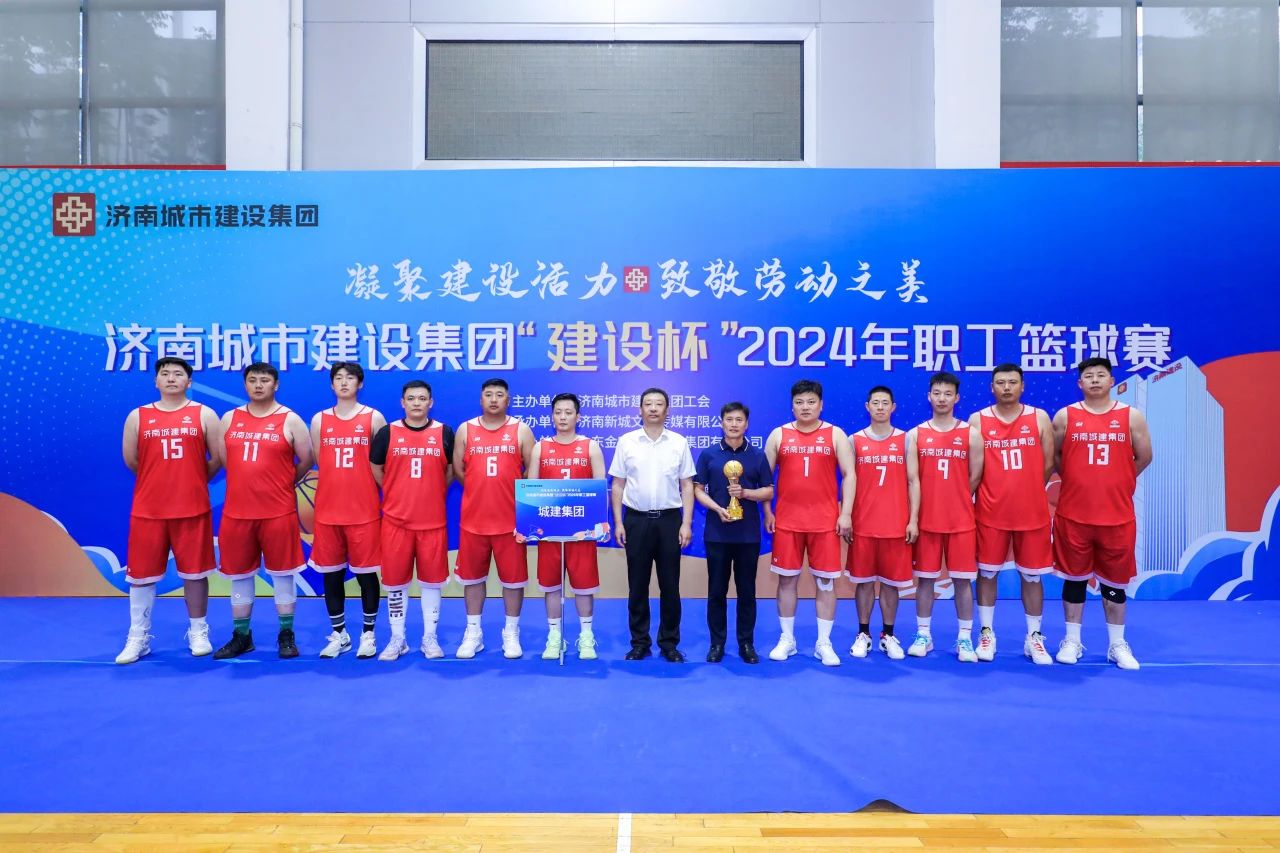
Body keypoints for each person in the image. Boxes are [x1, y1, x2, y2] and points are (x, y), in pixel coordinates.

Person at [116, 356, 222, 664]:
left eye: (178, 374)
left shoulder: (204, 414)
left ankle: (198, 631)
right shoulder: (138, 416)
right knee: (141, 576)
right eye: (165, 374)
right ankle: (138, 637)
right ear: (156, 381)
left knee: (195, 573)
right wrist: (158, 480)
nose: (171, 378)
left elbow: (217, 458)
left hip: (192, 507)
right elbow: (131, 460)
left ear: (189, 381)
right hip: (149, 508)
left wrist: (192, 480)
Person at [1051, 358, 1153, 670]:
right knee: (1075, 580)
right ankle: (1072, 640)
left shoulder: (1131, 416)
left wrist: (1117, 480)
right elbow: (1056, 455)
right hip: (1074, 515)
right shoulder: (1066, 416)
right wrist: (1078, 480)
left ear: (1111, 381)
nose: (1094, 380)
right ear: (1079, 383)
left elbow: (1144, 456)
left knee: (1114, 584)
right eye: (1088, 376)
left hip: (1116, 516)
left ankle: (1117, 644)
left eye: (1100, 375)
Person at [212, 362, 314, 660]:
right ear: (245, 384)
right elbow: (225, 459)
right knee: (240, 575)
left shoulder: (290, 419)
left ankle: (286, 634)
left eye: (265, 380)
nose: (258, 385)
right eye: (253, 380)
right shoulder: (229, 418)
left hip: (278, 511)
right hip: (237, 512)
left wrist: (280, 482)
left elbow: (306, 459)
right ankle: (242, 636)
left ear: (276, 385)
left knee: (283, 574)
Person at [764, 379, 856, 667]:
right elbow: (765, 480)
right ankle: (787, 639)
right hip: (787, 523)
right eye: (799, 402)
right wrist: (767, 511)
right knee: (786, 581)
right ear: (792, 406)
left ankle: (823, 643)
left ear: (821, 405)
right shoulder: (778, 435)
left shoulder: (835, 434)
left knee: (826, 584)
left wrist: (846, 513)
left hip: (825, 523)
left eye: (811, 402)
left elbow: (850, 475)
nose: (805, 407)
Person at [968, 364, 1055, 665]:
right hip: (990, 512)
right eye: (1001, 382)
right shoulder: (978, 420)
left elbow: (1048, 463)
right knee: (987, 572)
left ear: (1022, 386)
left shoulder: (1039, 417)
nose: (1006, 387)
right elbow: (974, 467)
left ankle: (1034, 637)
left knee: (1031, 576)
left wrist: (1027, 491)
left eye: (1012, 382)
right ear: (991, 387)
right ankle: (986, 633)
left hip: (1031, 513)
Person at [369, 380, 454, 661]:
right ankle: (398, 637)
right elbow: (376, 468)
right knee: (395, 583)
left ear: (431, 402)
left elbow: (451, 470)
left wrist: (433, 491)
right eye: (411, 398)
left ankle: (430, 636)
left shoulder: (445, 432)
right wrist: (395, 491)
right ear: (402, 402)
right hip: (396, 522)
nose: (417, 403)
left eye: (422, 398)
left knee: (432, 582)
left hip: (432, 523)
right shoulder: (387, 432)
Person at [452, 378, 536, 659]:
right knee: (472, 579)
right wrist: (480, 490)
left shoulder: (521, 430)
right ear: (481, 400)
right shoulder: (466, 429)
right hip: (473, 520)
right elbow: (458, 469)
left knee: (513, 581)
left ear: (508, 400)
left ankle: (511, 632)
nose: (494, 399)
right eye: (488, 394)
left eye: (499, 395)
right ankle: (473, 632)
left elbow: (531, 471)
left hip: (510, 522)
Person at [610, 387, 696, 662]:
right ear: (640, 409)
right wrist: (618, 522)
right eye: (648, 404)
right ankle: (640, 642)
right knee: (637, 585)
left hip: (670, 521)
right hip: (635, 520)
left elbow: (687, 486)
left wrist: (686, 523)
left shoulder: (679, 442)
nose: (653, 408)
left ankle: (669, 643)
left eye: (659, 404)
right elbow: (618, 485)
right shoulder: (627, 441)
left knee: (670, 586)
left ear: (667, 410)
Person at [309, 362, 386, 659]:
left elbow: (381, 462)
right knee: (331, 575)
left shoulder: (373, 417)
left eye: (350, 378)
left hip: (363, 510)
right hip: (328, 511)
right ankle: (339, 634)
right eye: (338, 378)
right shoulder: (319, 420)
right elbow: (321, 460)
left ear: (360, 384)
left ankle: (368, 634)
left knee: (366, 575)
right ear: (331, 385)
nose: (343, 383)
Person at [905, 372, 983, 662]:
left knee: (963, 581)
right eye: (937, 393)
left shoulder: (970, 434)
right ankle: (923, 635)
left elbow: (975, 476)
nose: (942, 399)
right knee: (925, 581)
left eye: (947, 394)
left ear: (956, 398)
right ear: (929, 396)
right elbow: (912, 480)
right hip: (927, 521)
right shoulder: (916, 434)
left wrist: (956, 498)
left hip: (961, 521)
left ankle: (964, 639)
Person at [527, 393, 608, 660]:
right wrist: (528, 525)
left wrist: (600, 524)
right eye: (558, 412)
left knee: (584, 585)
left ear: (578, 416)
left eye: (568, 412)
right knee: (551, 585)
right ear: (552, 416)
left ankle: (586, 636)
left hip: (581, 532)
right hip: (550, 532)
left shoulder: (590, 447)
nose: (563, 417)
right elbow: (531, 490)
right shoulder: (541, 447)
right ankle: (554, 637)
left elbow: (600, 489)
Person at [694, 402, 773, 664]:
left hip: (748, 536)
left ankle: (746, 643)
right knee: (716, 591)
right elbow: (697, 489)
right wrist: (717, 508)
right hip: (717, 534)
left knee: (747, 592)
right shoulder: (709, 454)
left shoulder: (757, 455)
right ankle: (717, 644)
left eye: (739, 420)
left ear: (746, 424)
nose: (734, 424)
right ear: (721, 423)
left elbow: (769, 490)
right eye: (729, 419)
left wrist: (746, 493)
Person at [846, 386, 918, 660]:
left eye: (884, 403)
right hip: (863, 525)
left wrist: (913, 519)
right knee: (864, 583)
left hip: (896, 525)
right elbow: (849, 481)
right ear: (867, 406)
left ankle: (888, 634)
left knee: (890, 583)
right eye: (875, 403)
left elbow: (914, 481)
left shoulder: (906, 439)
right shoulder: (854, 440)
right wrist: (847, 515)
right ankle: (863, 633)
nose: (879, 407)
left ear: (893, 407)